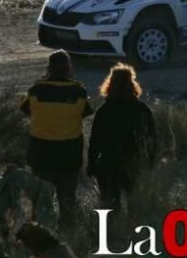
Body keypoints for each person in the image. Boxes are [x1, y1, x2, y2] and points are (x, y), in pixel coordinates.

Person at [19, 50, 93, 228]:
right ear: (69, 69)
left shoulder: (36, 90)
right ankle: (69, 236)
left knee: (41, 201)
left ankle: (41, 235)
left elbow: (24, 108)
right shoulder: (79, 92)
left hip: (40, 155)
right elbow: (88, 111)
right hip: (69, 155)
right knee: (67, 201)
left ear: (48, 69)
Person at [86, 64, 158, 210]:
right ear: (132, 83)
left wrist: (92, 164)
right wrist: (149, 161)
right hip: (134, 163)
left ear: (110, 83)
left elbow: (95, 141)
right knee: (135, 206)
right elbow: (152, 138)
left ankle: (113, 231)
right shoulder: (141, 109)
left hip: (108, 164)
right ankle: (134, 230)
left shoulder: (104, 111)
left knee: (110, 207)